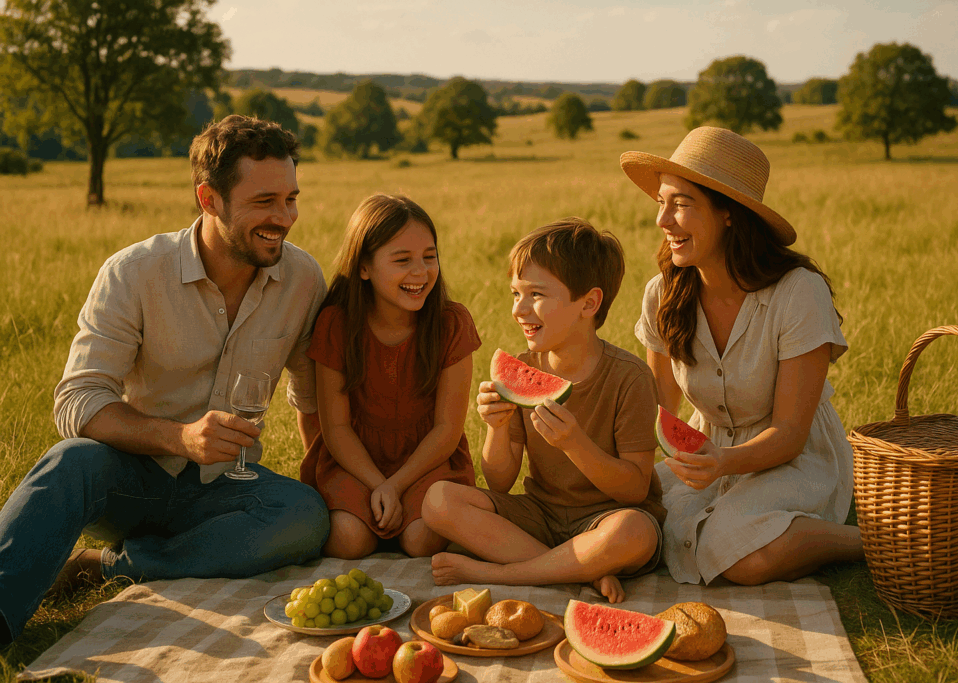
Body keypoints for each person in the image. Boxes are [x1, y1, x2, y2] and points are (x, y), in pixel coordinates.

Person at [0, 115, 330, 647]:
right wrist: (180, 438)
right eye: (265, 201)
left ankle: (108, 567)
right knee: (69, 463)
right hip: (131, 478)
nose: (285, 217)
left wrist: (324, 480)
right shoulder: (134, 272)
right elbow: (78, 400)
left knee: (305, 517)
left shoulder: (303, 279)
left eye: (291, 199)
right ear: (209, 199)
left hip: (226, 488)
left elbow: (310, 397)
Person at [620, 126, 864, 586]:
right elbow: (660, 407)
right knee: (638, 523)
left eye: (681, 204)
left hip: (793, 459)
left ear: (728, 212)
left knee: (735, 555)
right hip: (706, 455)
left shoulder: (798, 292)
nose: (663, 220)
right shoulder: (662, 293)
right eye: (661, 203)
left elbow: (790, 433)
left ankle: (864, 541)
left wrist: (724, 462)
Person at [422, 218, 664, 603]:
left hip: (606, 519)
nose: (519, 309)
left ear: (589, 303)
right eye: (515, 293)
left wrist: (575, 445)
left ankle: (502, 573)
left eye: (535, 294)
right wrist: (497, 428)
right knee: (438, 500)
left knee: (636, 532)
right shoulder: (523, 367)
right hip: (540, 516)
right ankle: (582, 572)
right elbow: (499, 482)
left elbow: (635, 489)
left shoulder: (630, 377)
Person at [299, 194, 480, 560]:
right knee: (349, 540)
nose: (420, 272)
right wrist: (377, 484)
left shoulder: (451, 323)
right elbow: (336, 428)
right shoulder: (336, 324)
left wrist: (395, 486)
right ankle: (372, 519)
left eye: (429, 257)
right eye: (402, 260)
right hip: (354, 459)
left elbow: (447, 429)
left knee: (420, 540)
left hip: (426, 459)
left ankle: (400, 517)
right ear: (364, 267)